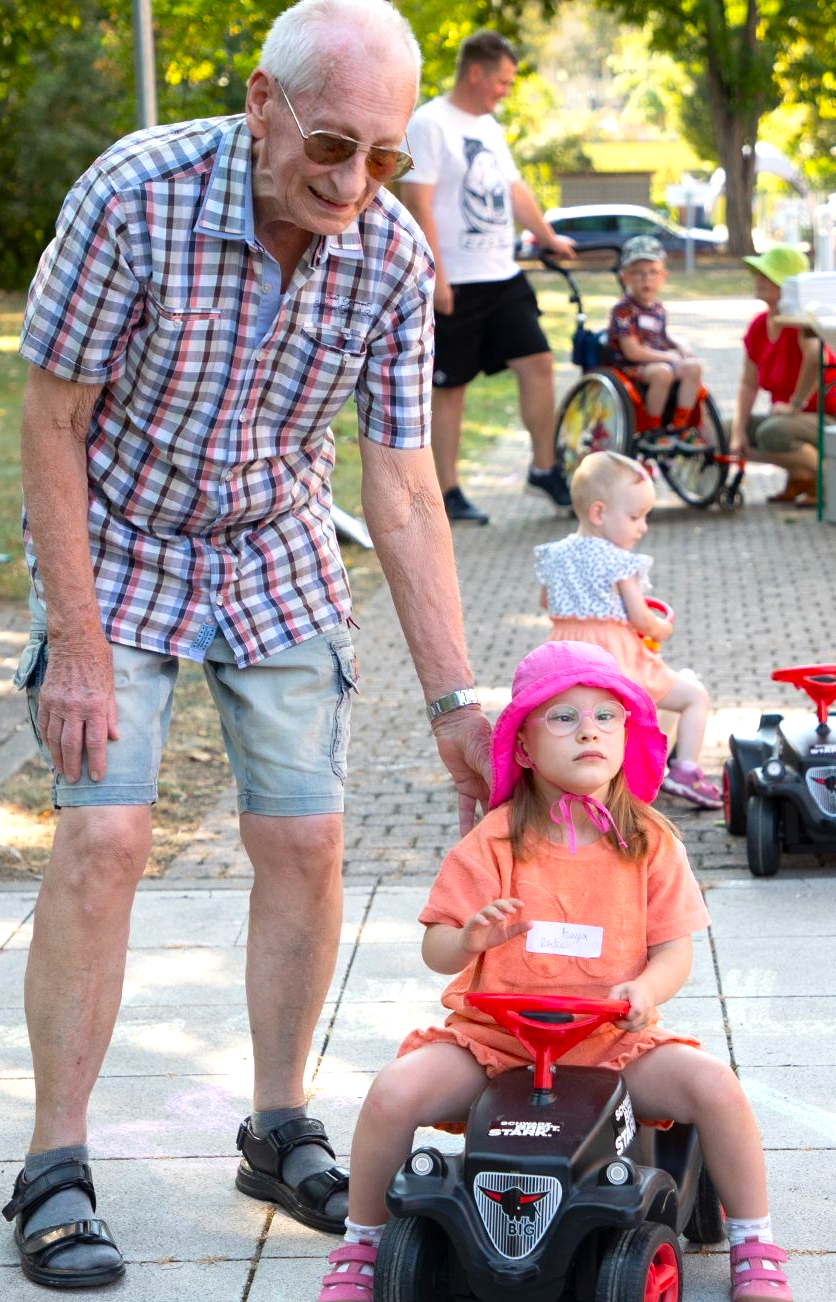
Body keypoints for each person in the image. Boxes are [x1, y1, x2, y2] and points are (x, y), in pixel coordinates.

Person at [4, 0, 493, 1289]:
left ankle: (277, 1127)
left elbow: (400, 483)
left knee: (305, 839)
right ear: (262, 103)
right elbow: (49, 422)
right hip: (117, 532)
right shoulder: (135, 196)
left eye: (382, 156)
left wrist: (454, 696)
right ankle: (55, 1165)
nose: (352, 182)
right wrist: (79, 648)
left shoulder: (387, 254)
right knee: (106, 835)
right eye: (330, 146)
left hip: (274, 539)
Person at [317, 641, 794, 1302]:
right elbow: (435, 949)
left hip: (612, 1043)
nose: (589, 731)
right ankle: (363, 1245)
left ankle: (754, 1243)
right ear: (522, 746)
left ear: (627, 735)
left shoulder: (651, 841)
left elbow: (674, 950)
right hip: (496, 1044)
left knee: (715, 1087)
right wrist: (469, 938)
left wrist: (644, 990)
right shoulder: (492, 840)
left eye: (606, 717)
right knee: (395, 1092)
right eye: (564, 717)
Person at [400, 30, 576, 526]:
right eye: (502, 81)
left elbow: (515, 190)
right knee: (450, 388)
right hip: (456, 282)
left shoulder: (490, 127)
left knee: (538, 361)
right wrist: (436, 276)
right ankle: (447, 491)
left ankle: (544, 467)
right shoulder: (429, 123)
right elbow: (417, 203)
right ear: (475, 73)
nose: (506, 90)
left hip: (503, 276)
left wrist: (548, 237)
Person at [533, 451, 721, 809]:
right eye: (635, 517)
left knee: (570, 718)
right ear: (599, 513)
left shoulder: (554, 555)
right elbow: (640, 618)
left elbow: (546, 601)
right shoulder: (618, 561)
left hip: (564, 653)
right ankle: (685, 770)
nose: (643, 527)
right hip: (613, 654)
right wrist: (660, 628)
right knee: (694, 697)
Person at [729, 244, 834, 508]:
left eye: (769, 275)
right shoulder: (759, 324)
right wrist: (737, 433)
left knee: (773, 433)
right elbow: (748, 384)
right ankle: (802, 476)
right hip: (788, 418)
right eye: (759, 273)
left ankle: (827, 481)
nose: (759, 279)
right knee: (723, 430)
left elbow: (816, 357)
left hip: (825, 415)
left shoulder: (801, 321)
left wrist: (795, 405)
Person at [608, 235, 704, 432]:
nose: (646, 278)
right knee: (663, 372)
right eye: (637, 272)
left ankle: (680, 426)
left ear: (663, 276)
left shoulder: (658, 308)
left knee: (693, 367)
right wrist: (668, 357)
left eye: (653, 272)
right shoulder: (624, 310)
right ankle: (652, 429)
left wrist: (679, 346)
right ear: (625, 277)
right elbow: (632, 351)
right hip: (632, 367)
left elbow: (662, 335)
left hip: (658, 360)